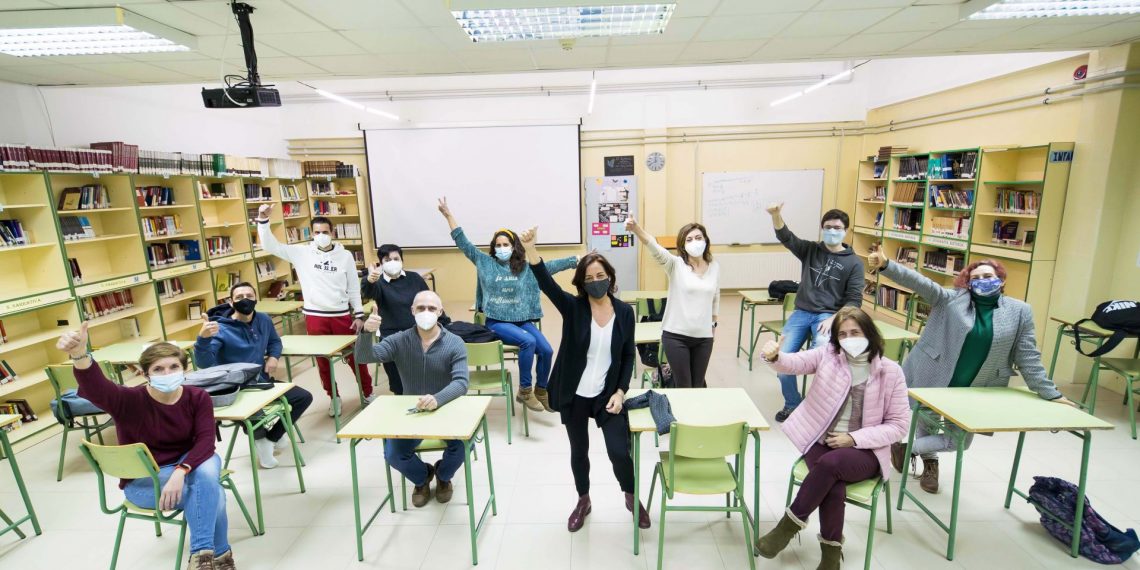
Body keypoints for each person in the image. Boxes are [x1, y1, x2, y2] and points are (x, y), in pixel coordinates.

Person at [866, 247, 1075, 493]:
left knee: (958, 442)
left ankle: (905, 448)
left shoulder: (1019, 311)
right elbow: (921, 283)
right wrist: (887, 265)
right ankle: (931, 465)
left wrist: (1051, 393)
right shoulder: (951, 300)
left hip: (977, 388)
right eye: (975, 278)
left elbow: (1028, 356)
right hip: (932, 375)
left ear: (1001, 280)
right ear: (968, 283)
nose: (982, 281)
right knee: (927, 424)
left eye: (988, 276)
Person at [57, 329, 235, 570]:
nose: (167, 373)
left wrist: (180, 471)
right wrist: (80, 355)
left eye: (174, 367)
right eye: (158, 369)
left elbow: (205, 441)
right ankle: (219, 558)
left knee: (206, 472)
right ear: (145, 374)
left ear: (185, 369)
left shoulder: (198, 397)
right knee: (213, 492)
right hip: (145, 482)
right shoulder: (128, 400)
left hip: (189, 466)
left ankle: (201, 559)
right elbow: (98, 388)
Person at [754, 306, 909, 570]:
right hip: (822, 441)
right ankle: (831, 557)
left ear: (869, 333)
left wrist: (853, 438)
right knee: (832, 485)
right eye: (843, 334)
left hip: (865, 450)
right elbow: (794, 363)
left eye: (855, 332)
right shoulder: (828, 355)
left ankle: (787, 527)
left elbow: (899, 425)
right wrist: (775, 356)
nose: (849, 339)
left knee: (829, 465)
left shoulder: (891, 371)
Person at [519, 226, 649, 532]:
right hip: (574, 396)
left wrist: (620, 391)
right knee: (579, 452)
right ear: (581, 283)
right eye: (589, 278)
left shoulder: (625, 313)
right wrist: (531, 249)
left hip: (607, 396)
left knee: (619, 452)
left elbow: (628, 355)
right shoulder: (574, 308)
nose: (595, 281)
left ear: (610, 277)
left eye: (600, 275)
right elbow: (546, 283)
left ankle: (631, 496)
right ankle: (583, 500)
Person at [436, 197, 577, 413]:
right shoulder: (484, 262)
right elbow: (463, 242)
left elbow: (549, 267)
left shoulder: (525, 268)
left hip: (522, 321)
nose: (502, 248)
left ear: (514, 246)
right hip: (497, 322)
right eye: (498, 245)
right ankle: (525, 390)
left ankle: (541, 390)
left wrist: (575, 260)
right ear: (493, 248)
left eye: (506, 245)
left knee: (547, 350)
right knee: (528, 342)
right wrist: (448, 216)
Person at [354, 290, 469, 507]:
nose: (426, 312)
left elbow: (461, 382)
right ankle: (422, 477)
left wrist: (438, 399)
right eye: (421, 308)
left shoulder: (455, 342)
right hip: (412, 412)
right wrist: (366, 333)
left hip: (446, 409)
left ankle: (443, 476)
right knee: (394, 454)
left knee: (463, 447)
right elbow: (363, 357)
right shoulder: (399, 340)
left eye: (432, 308)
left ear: (440, 312)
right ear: (412, 311)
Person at [255, 203, 372, 415]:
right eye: (317, 232)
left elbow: (354, 287)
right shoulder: (301, 253)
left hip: (341, 315)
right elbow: (270, 246)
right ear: (312, 234)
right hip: (315, 316)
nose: (321, 236)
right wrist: (263, 220)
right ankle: (333, 397)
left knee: (356, 357)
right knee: (323, 362)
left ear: (332, 233)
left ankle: (367, 392)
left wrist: (359, 314)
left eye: (325, 232)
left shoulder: (345, 256)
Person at [194, 282, 314, 469]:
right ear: (231, 302)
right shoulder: (220, 328)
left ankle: (270, 438)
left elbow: (275, 342)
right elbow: (204, 363)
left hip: (260, 381)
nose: (245, 300)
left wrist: (273, 357)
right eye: (239, 297)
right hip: (235, 387)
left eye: (249, 296)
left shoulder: (263, 319)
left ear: (256, 299)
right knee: (252, 414)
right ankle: (262, 441)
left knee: (303, 397)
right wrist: (203, 339)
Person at [766, 203, 864, 423]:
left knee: (822, 361)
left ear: (846, 231)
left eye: (837, 228)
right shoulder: (810, 250)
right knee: (781, 361)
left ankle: (818, 408)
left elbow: (854, 301)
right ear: (822, 229)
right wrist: (776, 215)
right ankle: (792, 405)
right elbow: (786, 237)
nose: (832, 231)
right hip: (801, 312)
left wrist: (834, 319)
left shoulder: (855, 263)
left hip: (829, 316)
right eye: (828, 227)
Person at [625, 217, 720, 388]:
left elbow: (715, 297)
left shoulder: (714, 266)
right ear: (683, 245)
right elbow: (653, 246)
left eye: (698, 238)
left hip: (704, 338)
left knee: (698, 385)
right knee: (684, 385)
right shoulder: (675, 265)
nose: (695, 242)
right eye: (689, 239)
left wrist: (713, 326)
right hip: (676, 336)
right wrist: (636, 229)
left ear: (705, 240)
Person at [360, 243, 430, 396]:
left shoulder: (414, 278)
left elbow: (429, 301)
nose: (392, 262)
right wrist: (369, 280)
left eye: (396, 259)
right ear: (381, 263)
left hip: (419, 334)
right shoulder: (379, 282)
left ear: (402, 260)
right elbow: (368, 292)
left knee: (425, 381)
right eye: (387, 260)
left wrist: (443, 323)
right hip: (391, 338)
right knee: (399, 386)